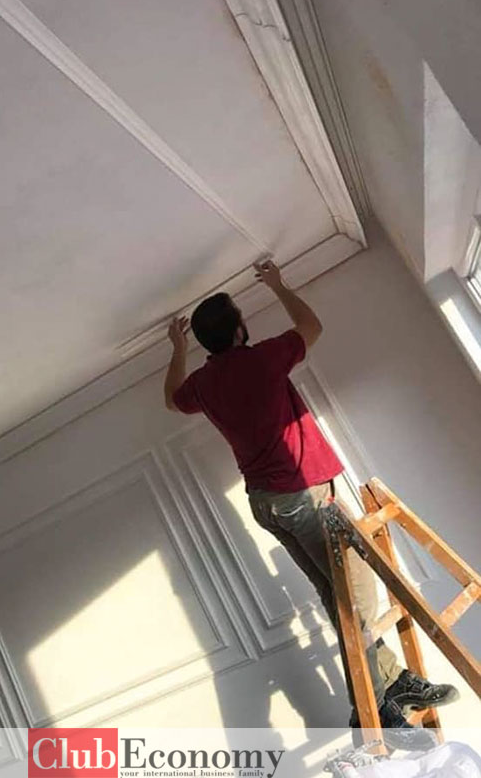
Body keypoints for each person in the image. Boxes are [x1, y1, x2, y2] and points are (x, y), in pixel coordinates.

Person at [163, 260, 457, 747]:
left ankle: (391, 680)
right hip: (304, 497)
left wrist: (177, 349)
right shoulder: (261, 359)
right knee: (358, 600)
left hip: (266, 504)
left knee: (334, 597)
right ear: (238, 330)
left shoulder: (204, 384)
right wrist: (278, 285)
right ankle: (374, 713)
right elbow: (312, 327)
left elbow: (172, 399)